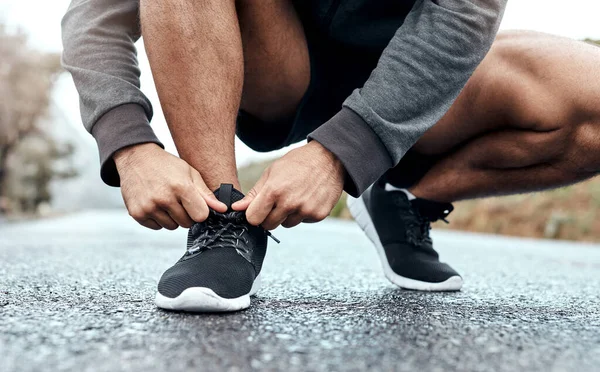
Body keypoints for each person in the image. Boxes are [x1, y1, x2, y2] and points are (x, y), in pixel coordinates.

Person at [62, 0, 600, 312]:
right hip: (274, 59)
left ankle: (400, 193)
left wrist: (343, 153)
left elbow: (463, 12)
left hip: (410, 67)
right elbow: (96, 14)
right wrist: (129, 143)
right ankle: (221, 216)